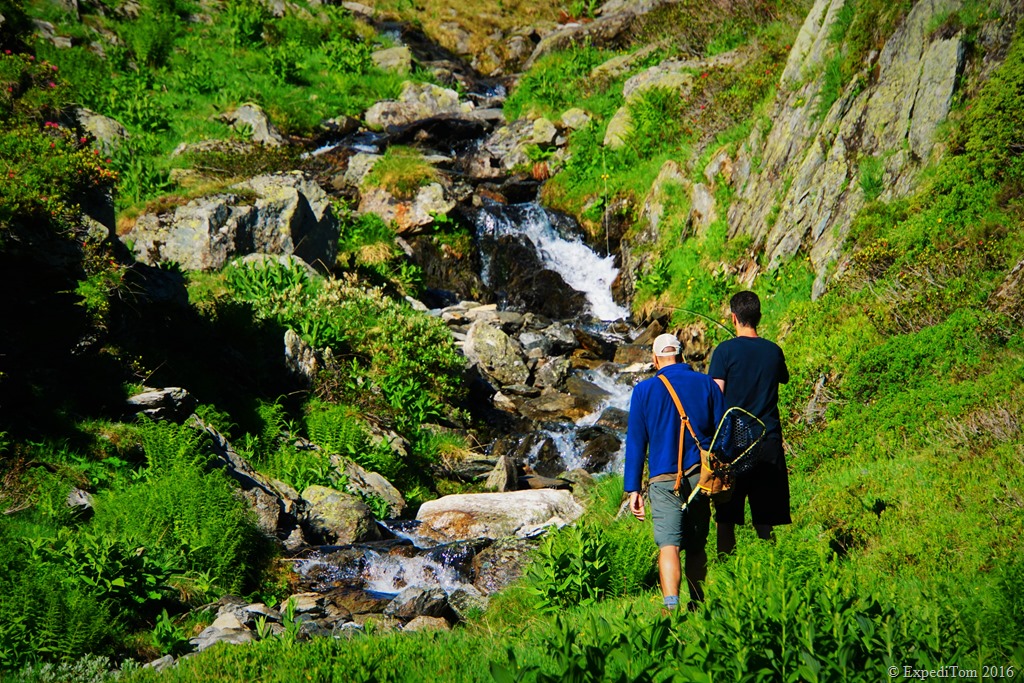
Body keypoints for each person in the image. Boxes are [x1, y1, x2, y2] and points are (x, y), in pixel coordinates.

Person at [624, 333, 725, 612]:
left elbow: (635, 442)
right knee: (696, 545)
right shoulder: (706, 384)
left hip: (663, 479)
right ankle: (698, 603)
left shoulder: (643, 391)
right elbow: (723, 432)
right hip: (699, 476)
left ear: (656, 360)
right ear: (681, 356)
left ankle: (671, 608)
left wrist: (633, 488)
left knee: (669, 544)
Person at [709, 291, 791, 555]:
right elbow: (783, 378)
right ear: (759, 316)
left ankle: (727, 574)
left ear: (734, 318)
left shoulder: (724, 351)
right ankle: (774, 571)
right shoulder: (773, 351)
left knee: (726, 519)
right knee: (765, 521)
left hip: (734, 446)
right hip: (768, 443)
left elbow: (714, 395)